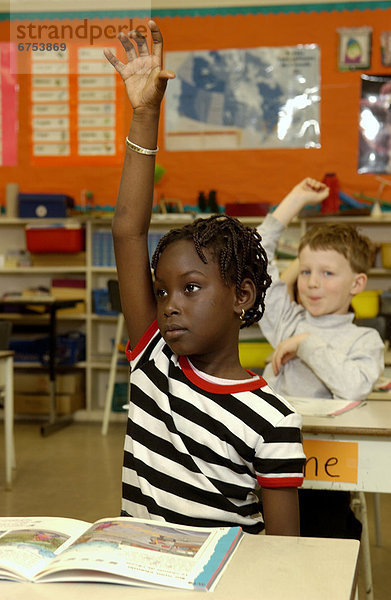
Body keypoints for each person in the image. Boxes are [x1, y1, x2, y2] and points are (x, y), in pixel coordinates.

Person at [104, 20, 306, 536]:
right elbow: (128, 231)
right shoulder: (154, 359)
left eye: (191, 288)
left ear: (242, 295)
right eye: (163, 291)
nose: (170, 304)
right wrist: (145, 114)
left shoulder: (273, 420)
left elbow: (284, 555)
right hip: (139, 575)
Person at [257, 177, 385, 538]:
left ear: (356, 284)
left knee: (325, 536)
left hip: (327, 474)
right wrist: (295, 200)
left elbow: (353, 387)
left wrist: (304, 344)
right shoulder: (286, 320)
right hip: (270, 468)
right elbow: (257, 255)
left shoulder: (365, 340)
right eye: (307, 271)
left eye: (327, 274)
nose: (312, 282)